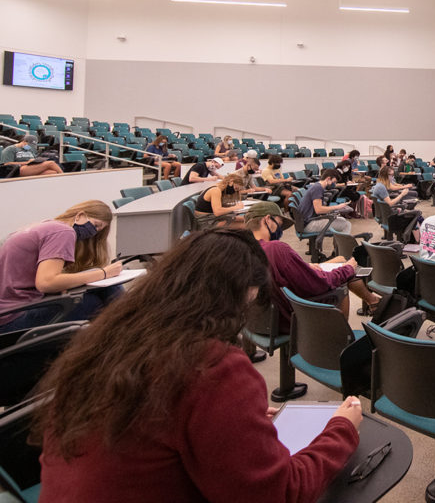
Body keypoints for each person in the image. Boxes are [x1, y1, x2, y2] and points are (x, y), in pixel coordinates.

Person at [35, 228, 363, 503]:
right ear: (239, 293)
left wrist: (229, 421)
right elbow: (280, 493)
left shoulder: (106, 341)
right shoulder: (212, 367)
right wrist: (341, 429)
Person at [0, 200, 123, 333]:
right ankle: (130, 332)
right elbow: (46, 282)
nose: (94, 232)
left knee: (96, 293)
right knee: (97, 300)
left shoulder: (45, 226)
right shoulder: (64, 231)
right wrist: (103, 273)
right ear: (80, 215)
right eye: (96, 225)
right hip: (14, 320)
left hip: (7, 315)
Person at [245, 202, 380, 323]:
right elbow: (318, 283)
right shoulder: (276, 249)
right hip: (290, 316)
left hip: (259, 320)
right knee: (342, 282)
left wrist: (305, 267)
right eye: (279, 225)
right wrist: (348, 269)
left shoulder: (242, 248)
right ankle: (341, 339)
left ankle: (372, 301)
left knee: (340, 260)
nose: (280, 231)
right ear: (268, 220)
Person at [297, 168, 353, 236]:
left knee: (342, 220)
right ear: (328, 179)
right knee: (346, 224)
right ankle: (343, 246)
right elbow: (319, 210)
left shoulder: (317, 186)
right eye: (334, 182)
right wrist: (337, 207)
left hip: (307, 221)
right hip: (308, 224)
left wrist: (336, 210)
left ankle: (339, 245)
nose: (334, 184)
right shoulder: (317, 188)